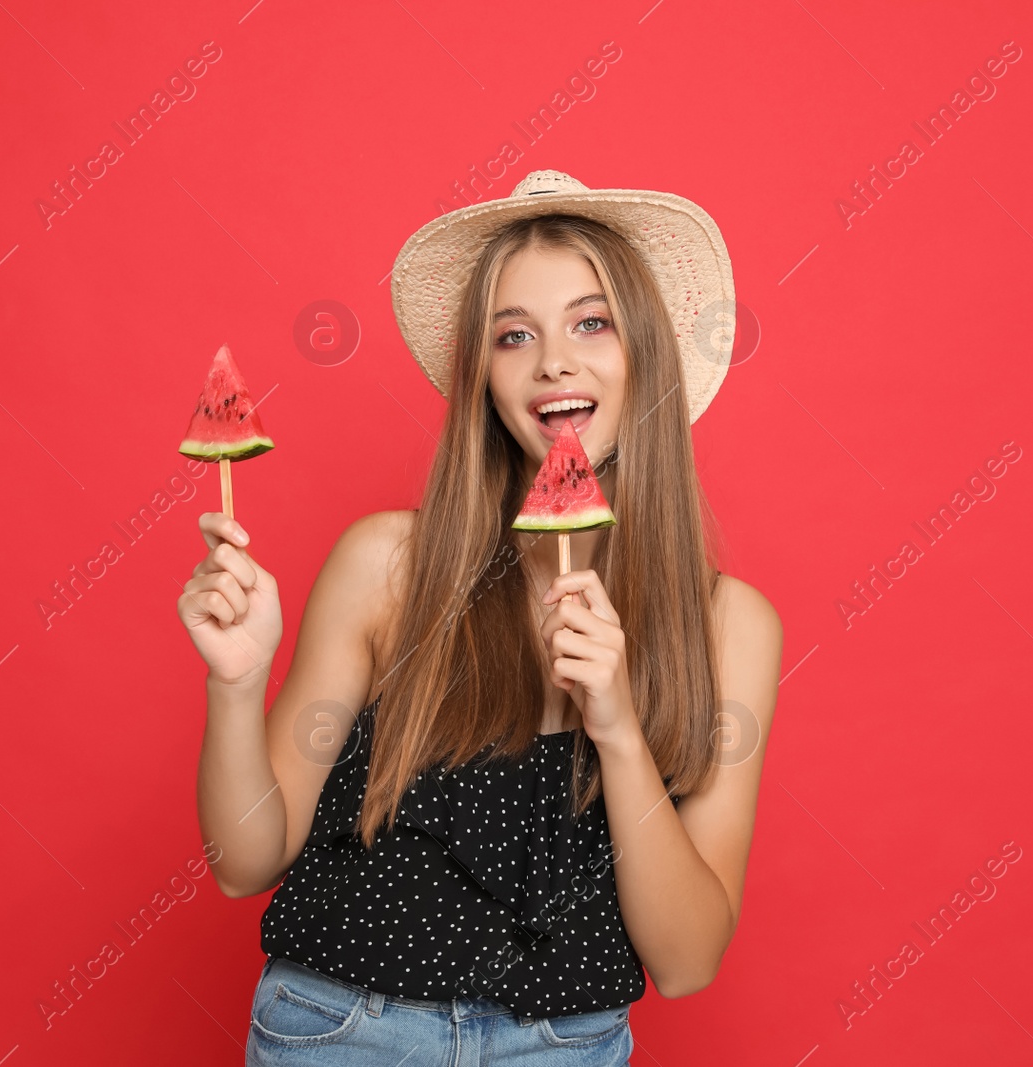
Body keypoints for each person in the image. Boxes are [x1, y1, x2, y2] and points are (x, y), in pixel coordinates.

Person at [180, 170, 783, 1065]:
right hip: (343, 1029)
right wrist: (235, 682)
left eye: (592, 322)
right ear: (488, 383)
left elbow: (689, 960)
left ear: (646, 354)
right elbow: (245, 862)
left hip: (564, 1046)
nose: (553, 363)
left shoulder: (730, 626)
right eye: (513, 336)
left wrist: (616, 729)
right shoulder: (389, 564)